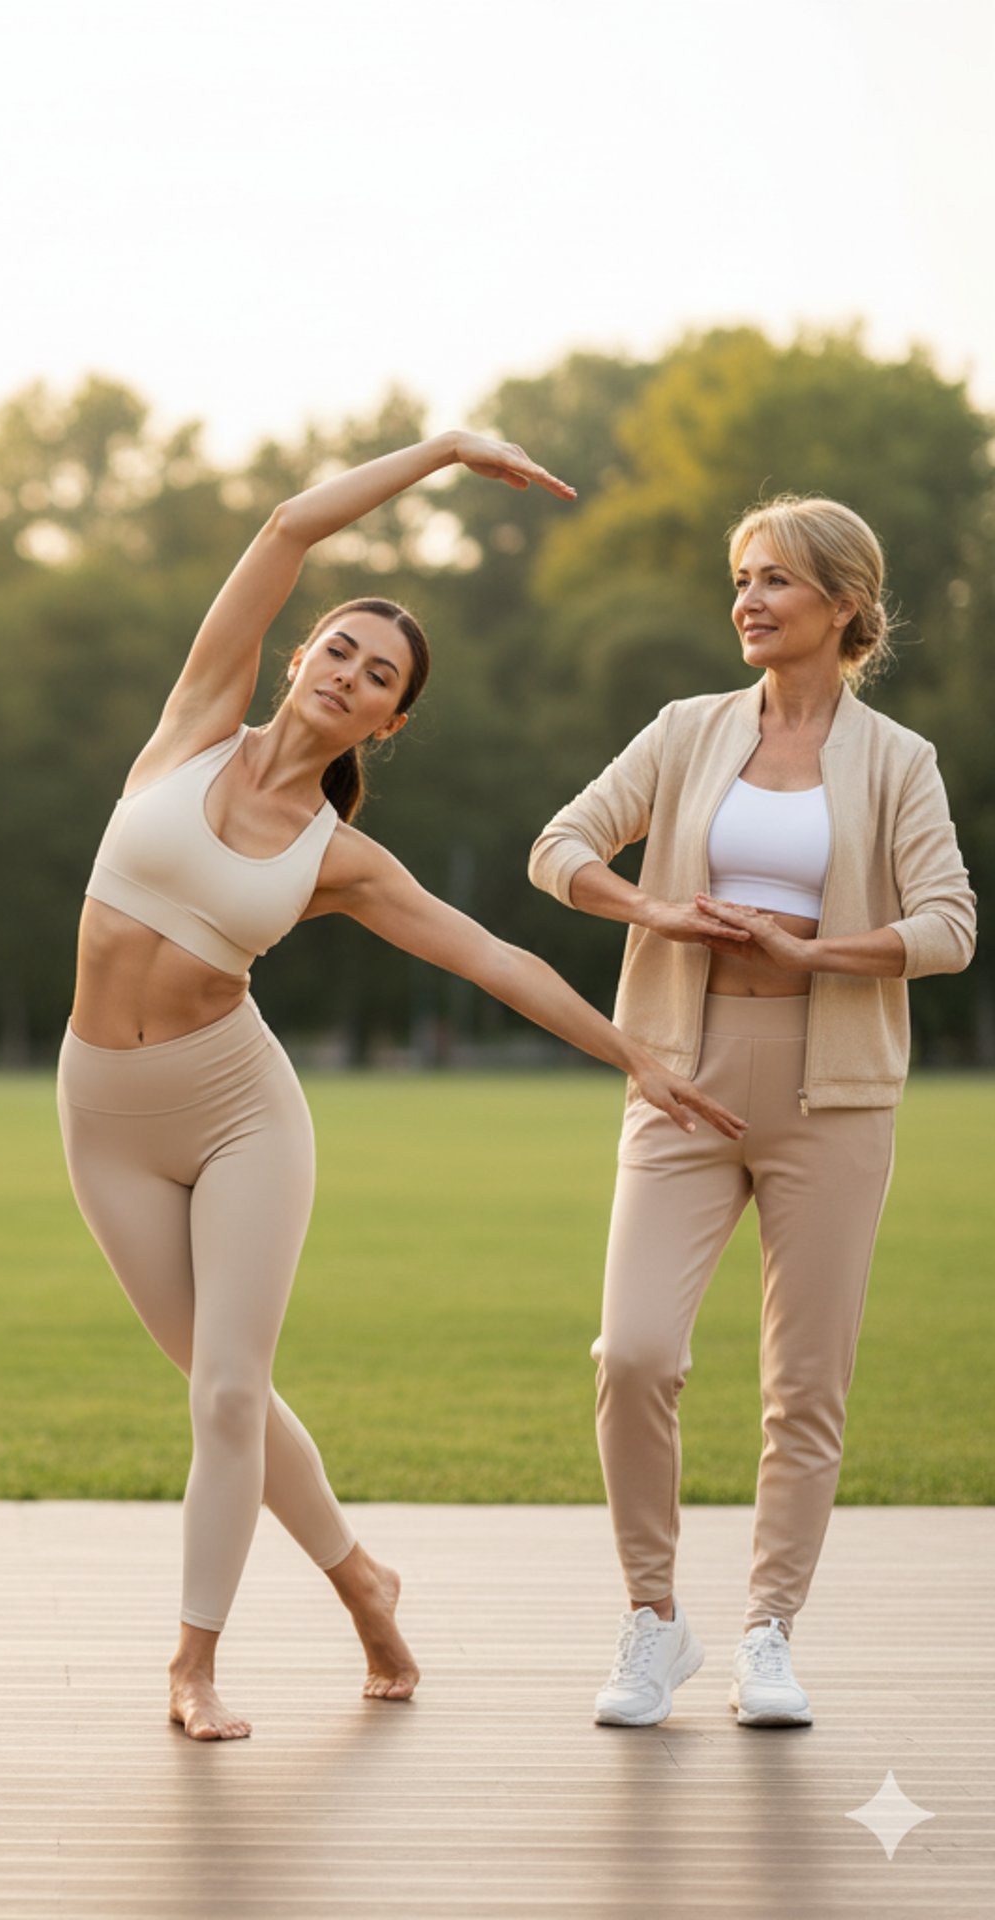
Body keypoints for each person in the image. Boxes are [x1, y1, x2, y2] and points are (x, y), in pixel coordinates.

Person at [59, 431, 746, 1742]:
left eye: (380, 677)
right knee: (226, 1386)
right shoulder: (193, 725)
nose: (349, 675)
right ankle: (364, 1582)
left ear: (390, 719)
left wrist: (637, 1055)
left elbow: (496, 957)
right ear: (301, 658)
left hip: (236, 1108)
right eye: (339, 651)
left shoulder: (340, 859)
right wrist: (437, 454)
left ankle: (192, 1667)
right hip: (100, 1113)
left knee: (225, 1393)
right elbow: (282, 530)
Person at [529, 494, 975, 1730]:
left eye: (775, 580)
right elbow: (559, 847)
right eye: (740, 579)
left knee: (806, 1385)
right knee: (634, 1354)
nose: (747, 600)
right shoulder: (685, 731)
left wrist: (820, 951)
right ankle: (654, 1620)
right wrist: (653, 910)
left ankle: (769, 1634)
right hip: (681, 1070)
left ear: (843, 602)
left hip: (834, 1096)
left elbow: (951, 925)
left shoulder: (900, 762)